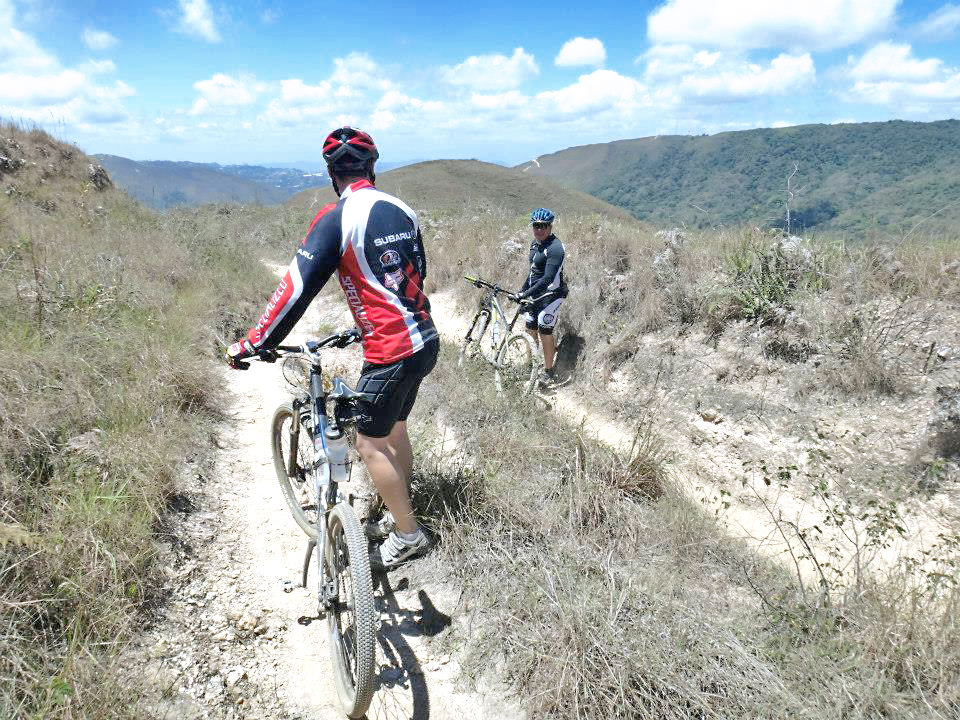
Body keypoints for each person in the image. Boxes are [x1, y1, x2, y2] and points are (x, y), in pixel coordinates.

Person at [226, 126, 439, 572]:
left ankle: (408, 535)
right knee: (395, 430)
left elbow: (295, 288)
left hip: (391, 348)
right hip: (424, 338)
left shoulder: (336, 217)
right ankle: (399, 510)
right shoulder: (402, 208)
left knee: (368, 441)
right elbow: (410, 273)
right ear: (373, 167)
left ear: (330, 173)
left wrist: (254, 342)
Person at [515, 208, 567, 387]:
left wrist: (525, 294)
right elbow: (532, 273)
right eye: (535, 226)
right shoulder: (534, 244)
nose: (539, 229)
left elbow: (547, 278)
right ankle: (530, 365)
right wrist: (521, 291)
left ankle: (549, 371)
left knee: (544, 327)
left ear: (550, 226)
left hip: (552, 294)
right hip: (536, 294)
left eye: (543, 226)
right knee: (530, 326)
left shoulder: (556, 248)